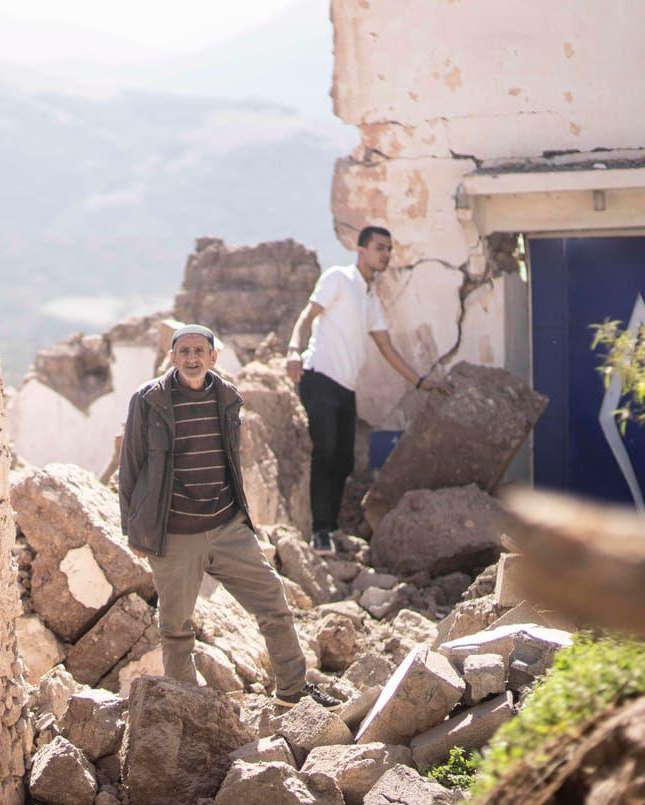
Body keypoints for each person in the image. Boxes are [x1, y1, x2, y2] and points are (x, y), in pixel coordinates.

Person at [118, 325, 341, 708]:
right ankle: (187, 708)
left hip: (227, 528)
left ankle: (292, 689)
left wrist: (239, 518)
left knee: (273, 602)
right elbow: (131, 468)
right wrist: (135, 531)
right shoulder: (148, 400)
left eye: (199, 351)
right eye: (184, 351)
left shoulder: (227, 397)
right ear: (172, 357)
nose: (191, 358)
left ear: (212, 357)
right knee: (175, 629)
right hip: (174, 536)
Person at [284, 226, 443, 553]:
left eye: (388, 249)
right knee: (326, 450)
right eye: (379, 248)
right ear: (361, 249)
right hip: (320, 376)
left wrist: (419, 382)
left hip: (346, 387)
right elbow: (308, 315)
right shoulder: (338, 279)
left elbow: (386, 347)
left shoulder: (371, 298)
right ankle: (319, 532)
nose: (385, 255)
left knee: (343, 460)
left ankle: (330, 527)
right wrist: (292, 350)